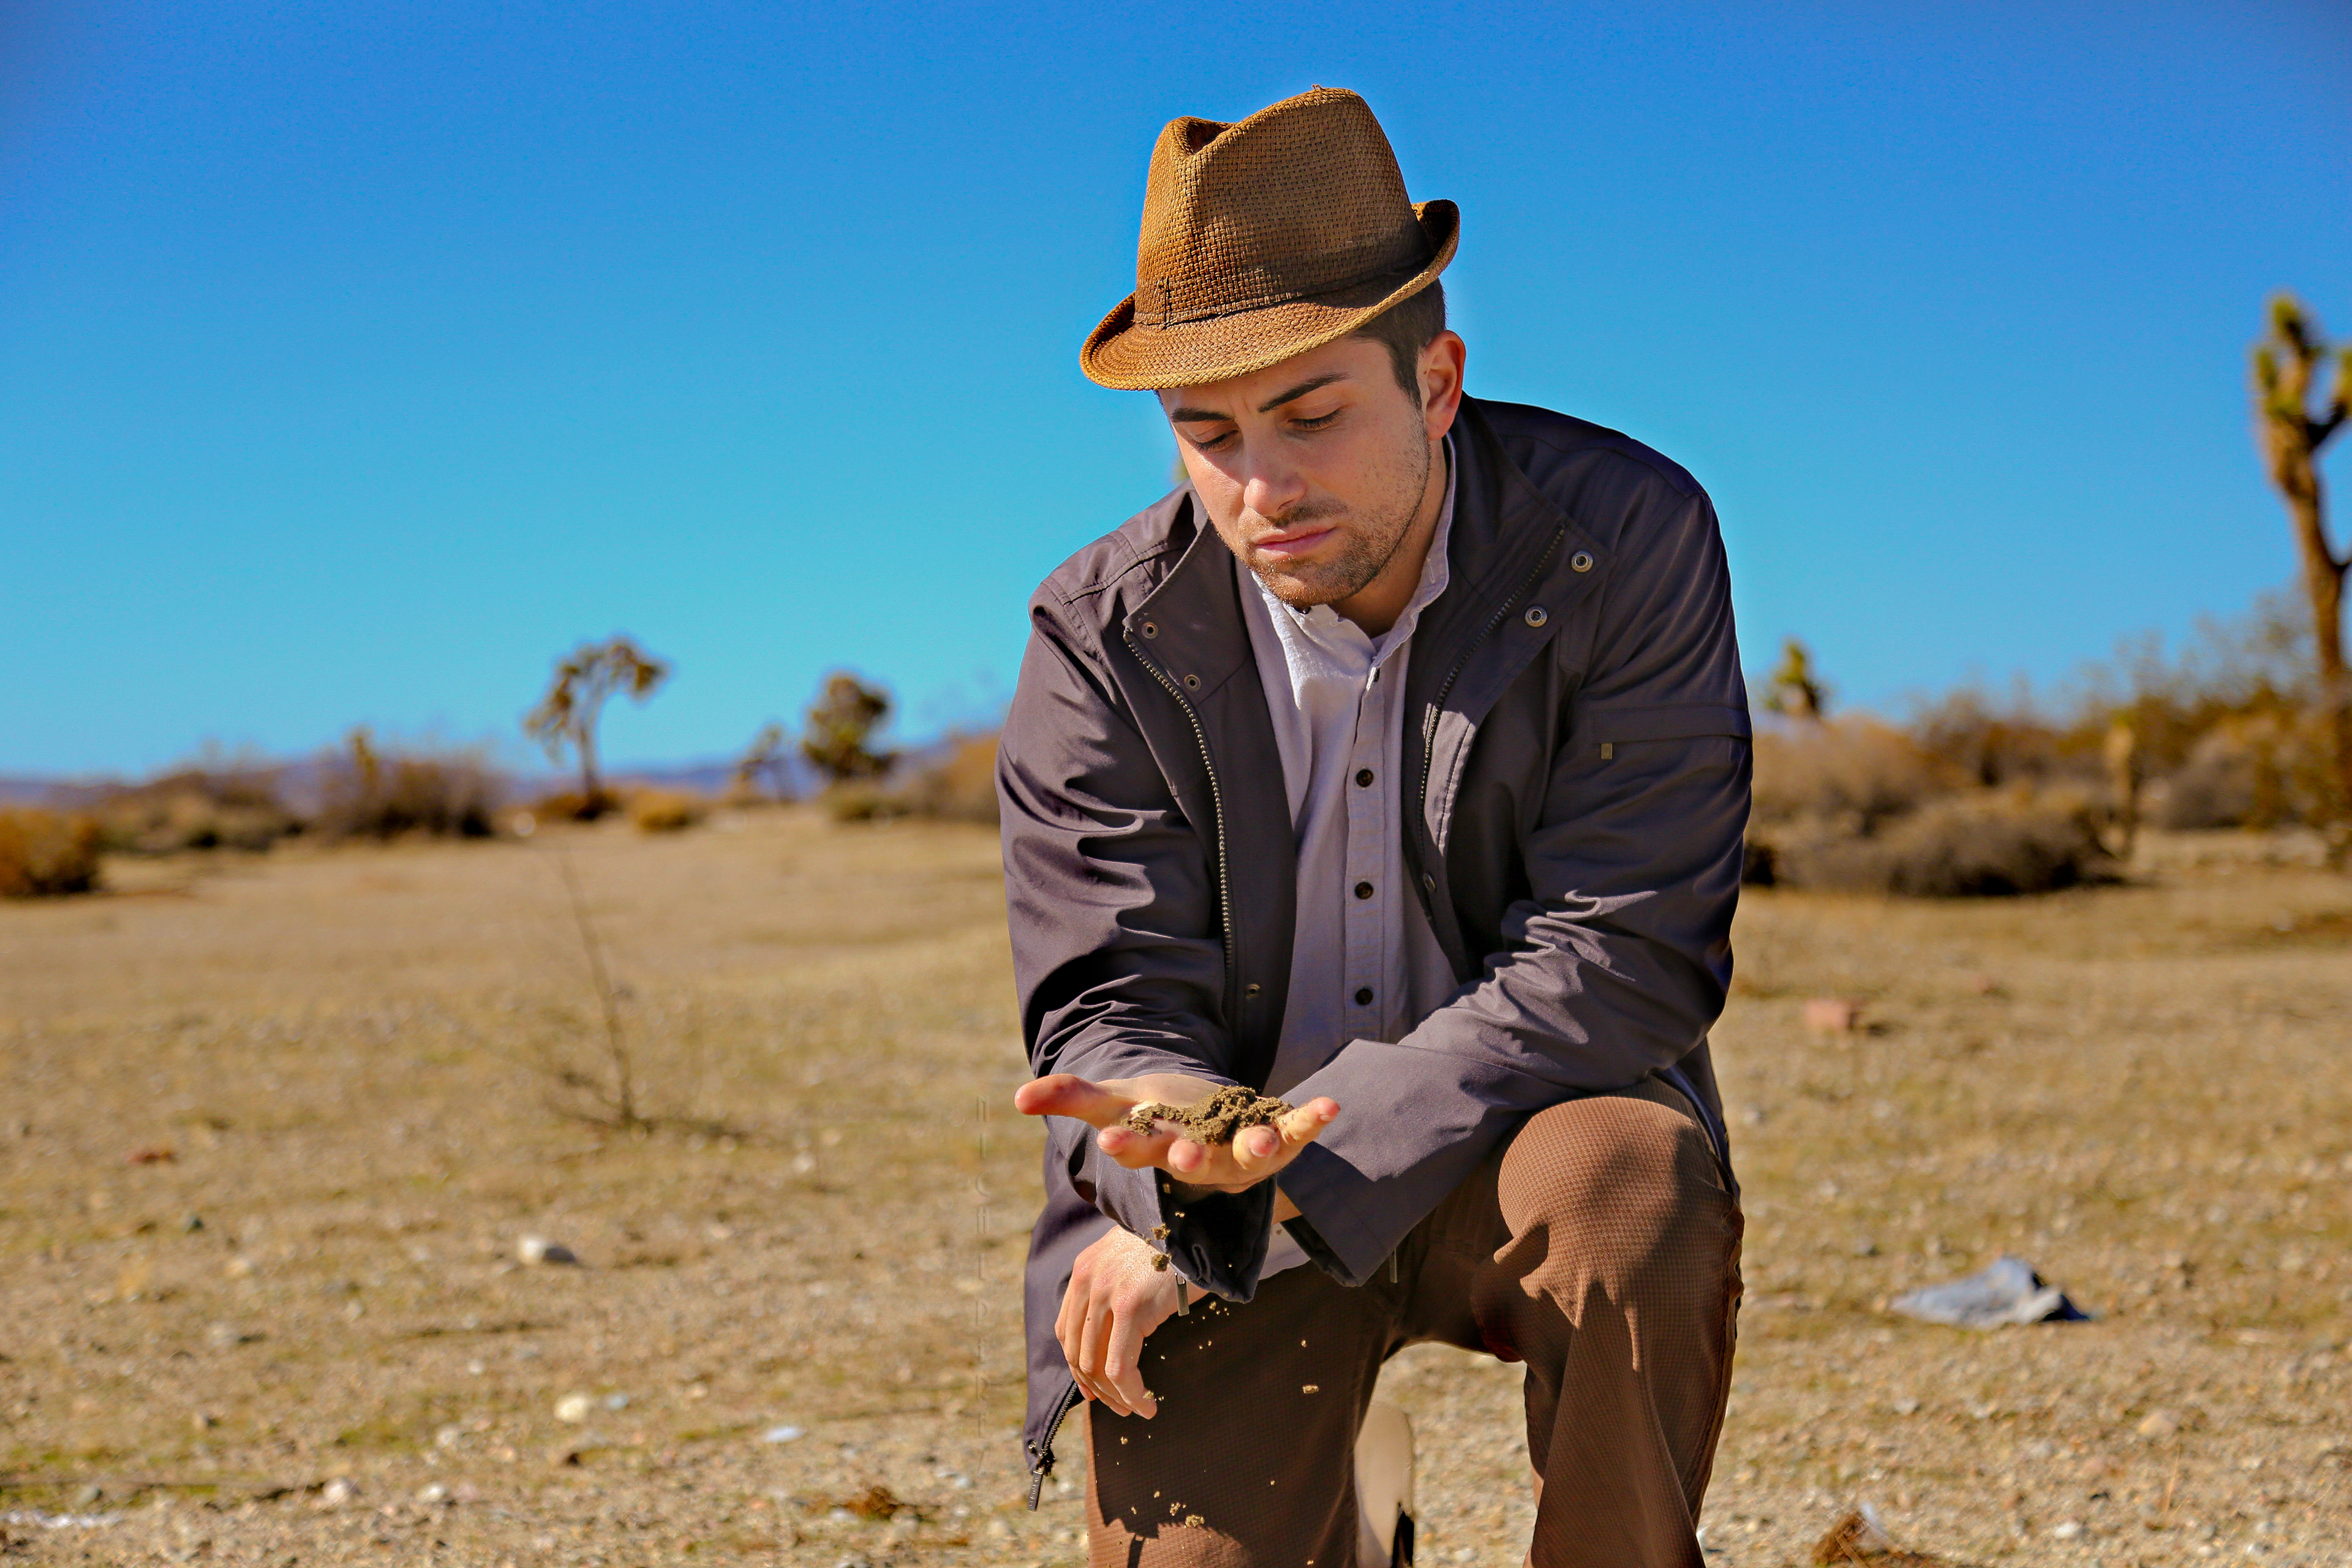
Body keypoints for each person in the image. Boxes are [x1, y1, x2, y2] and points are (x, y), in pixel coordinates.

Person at [998, 85, 1751, 1567]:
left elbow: (1625, 948)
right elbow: (1108, 994)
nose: (1260, 483)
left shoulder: (1627, 541)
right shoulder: (1098, 629)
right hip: (1220, 1204)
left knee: (1630, 1190)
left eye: (1314, 413)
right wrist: (1182, 1157)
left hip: (1515, 1144)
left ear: (1441, 379)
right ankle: (1352, 1508)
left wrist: (1308, 1165)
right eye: (1204, 432)